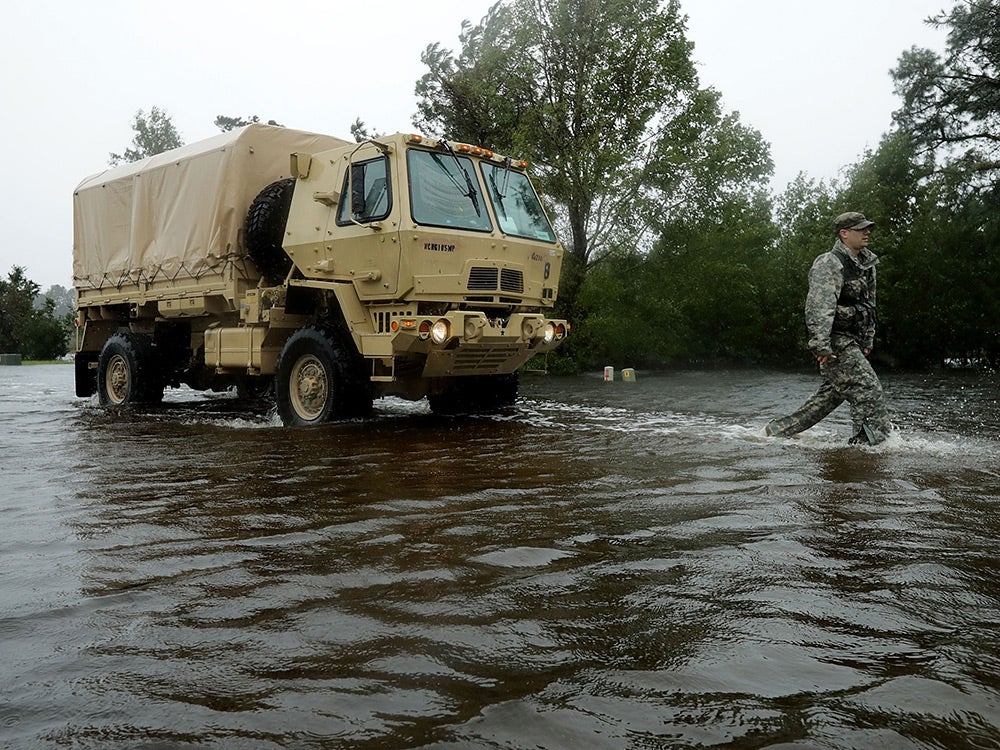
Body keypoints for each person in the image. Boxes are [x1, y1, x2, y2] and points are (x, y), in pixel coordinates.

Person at [766, 211, 892, 444]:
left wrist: (868, 339)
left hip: (853, 339)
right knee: (867, 390)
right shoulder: (829, 263)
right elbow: (818, 307)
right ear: (844, 234)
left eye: (867, 228)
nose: (867, 232)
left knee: (831, 395)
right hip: (835, 339)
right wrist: (820, 345)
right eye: (860, 229)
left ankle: (776, 432)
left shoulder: (868, 265)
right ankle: (868, 448)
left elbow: (869, 304)